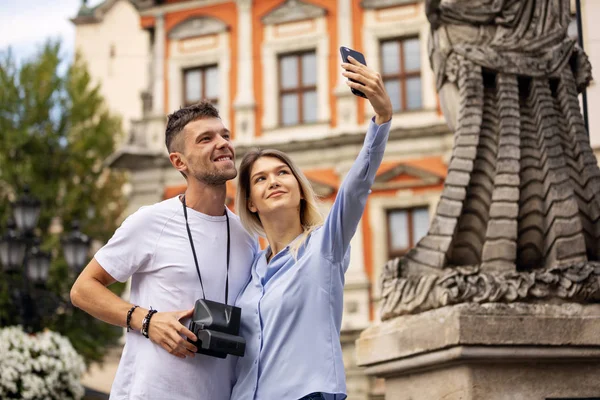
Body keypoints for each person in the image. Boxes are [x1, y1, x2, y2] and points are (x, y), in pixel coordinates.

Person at [70, 102, 257, 400]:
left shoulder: (247, 236)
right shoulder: (150, 221)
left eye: (225, 135)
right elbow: (82, 290)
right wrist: (146, 320)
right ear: (179, 161)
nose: (223, 143)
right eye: (206, 139)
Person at [232, 56, 393, 400]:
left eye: (282, 172)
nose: (273, 181)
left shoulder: (324, 246)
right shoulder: (251, 271)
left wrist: (381, 119)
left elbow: (356, 188)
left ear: (298, 188)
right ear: (251, 202)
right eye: (260, 178)